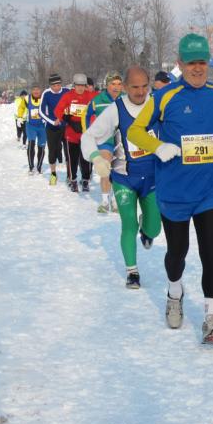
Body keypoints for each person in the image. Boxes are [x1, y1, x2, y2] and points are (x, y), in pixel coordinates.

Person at [127, 33, 213, 344]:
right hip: (174, 192)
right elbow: (135, 130)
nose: (197, 69)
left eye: (202, 63)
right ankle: (175, 291)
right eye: (191, 63)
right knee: (177, 253)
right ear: (180, 64)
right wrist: (157, 147)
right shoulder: (164, 97)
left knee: (211, 254)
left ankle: (211, 319)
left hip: (209, 190)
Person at [82, 66, 161, 288]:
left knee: (155, 227)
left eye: (145, 86)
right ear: (125, 87)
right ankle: (132, 272)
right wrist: (97, 157)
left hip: (153, 176)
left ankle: (147, 230)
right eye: (134, 87)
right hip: (125, 177)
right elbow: (88, 136)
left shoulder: (157, 104)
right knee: (128, 223)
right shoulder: (115, 109)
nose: (140, 92)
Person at [83, 71, 123, 213]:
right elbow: (86, 116)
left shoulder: (126, 99)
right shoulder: (97, 100)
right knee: (105, 167)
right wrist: (90, 133)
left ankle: (115, 200)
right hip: (105, 140)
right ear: (107, 85)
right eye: (113, 84)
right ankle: (105, 201)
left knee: (119, 170)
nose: (116, 87)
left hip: (121, 140)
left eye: (119, 84)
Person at [54, 73, 95, 192]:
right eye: (78, 85)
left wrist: (89, 124)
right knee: (72, 158)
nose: (80, 88)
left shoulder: (91, 96)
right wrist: (67, 118)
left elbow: (96, 111)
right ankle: (73, 181)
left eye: (83, 85)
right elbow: (58, 110)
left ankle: (86, 180)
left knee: (85, 158)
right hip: (71, 133)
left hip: (86, 132)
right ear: (74, 85)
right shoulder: (68, 96)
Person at [40, 73, 70, 186]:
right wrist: (52, 121)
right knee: (52, 152)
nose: (56, 87)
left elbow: (73, 105)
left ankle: (69, 175)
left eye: (58, 85)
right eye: (54, 85)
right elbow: (41, 111)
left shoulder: (67, 91)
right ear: (50, 85)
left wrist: (69, 119)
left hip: (66, 127)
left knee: (68, 152)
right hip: (52, 127)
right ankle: (53, 175)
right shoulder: (46, 94)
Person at [23, 84, 47, 175]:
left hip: (42, 126)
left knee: (42, 147)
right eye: (34, 89)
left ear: (40, 90)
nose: (36, 91)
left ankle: (39, 167)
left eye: (38, 89)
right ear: (31, 91)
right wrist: (20, 117)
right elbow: (21, 107)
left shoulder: (44, 99)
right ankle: (31, 167)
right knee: (31, 144)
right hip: (31, 126)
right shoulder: (26, 99)